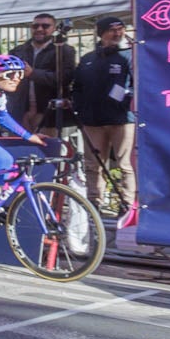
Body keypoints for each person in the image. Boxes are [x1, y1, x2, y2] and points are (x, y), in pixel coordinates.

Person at [71, 16, 136, 211]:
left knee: (125, 165)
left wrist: (123, 100)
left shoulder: (130, 55)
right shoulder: (88, 58)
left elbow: (137, 84)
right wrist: (80, 109)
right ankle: (95, 202)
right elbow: (77, 86)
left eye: (120, 29)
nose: (117, 33)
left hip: (121, 120)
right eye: (112, 30)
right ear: (101, 33)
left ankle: (128, 204)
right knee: (93, 165)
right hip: (92, 121)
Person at [0, 54, 49, 212]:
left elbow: (3, 117)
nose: (16, 79)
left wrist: (29, 136)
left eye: (20, 74)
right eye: (10, 75)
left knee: (4, 161)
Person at [7, 12, 77, 136]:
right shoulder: (18, 51)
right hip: (20, 112)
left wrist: (33, 73)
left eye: (45, 26)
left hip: (48, 114)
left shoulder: (64, 50)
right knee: (19, 147)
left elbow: (65, 78)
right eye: (35, 26)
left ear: (54, 28)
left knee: (46, 147)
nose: (39, 29)